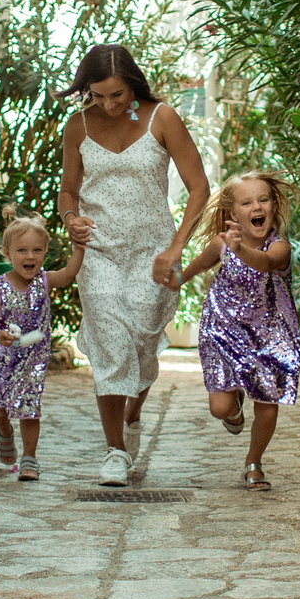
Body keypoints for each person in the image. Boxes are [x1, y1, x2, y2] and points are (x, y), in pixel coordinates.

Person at [57, 44, 210, 486]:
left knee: (142, 343)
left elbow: (198, 187)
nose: (107, 104)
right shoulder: (77, 125)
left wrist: (176, 247)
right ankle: (115, 452)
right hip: (99, 252)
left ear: (133, 85)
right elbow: (68, 191)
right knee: (109, 343)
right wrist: (71, 220)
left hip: (154, 255)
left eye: (117, 95)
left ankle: (134, 412)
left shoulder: (162, 117)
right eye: (98, 95)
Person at [182, 171, 300, 491]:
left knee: (266, 404)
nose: (256, 207)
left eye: (263, 200)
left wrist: (239, 250)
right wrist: (175, 280)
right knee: (220, 408)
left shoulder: (281, 248)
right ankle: (233, 402)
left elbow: (264, 264)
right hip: (223, 328)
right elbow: (200, 263)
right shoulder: (223, 242)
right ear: (234, 214)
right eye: (247, 202)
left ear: (273, 207)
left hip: (270, 335)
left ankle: (254, 462)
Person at [0, 207, 82, 482]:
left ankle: (29, 457)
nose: (30, 257)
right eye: (21, 251)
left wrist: (79, 246)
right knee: (2, 406)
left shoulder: (44, 281)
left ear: (44, 252)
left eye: (37, 250)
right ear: (7, 254)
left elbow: (68, 274)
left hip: (32, 359)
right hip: (0, 358)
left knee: (30, 406)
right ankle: (5, 431)